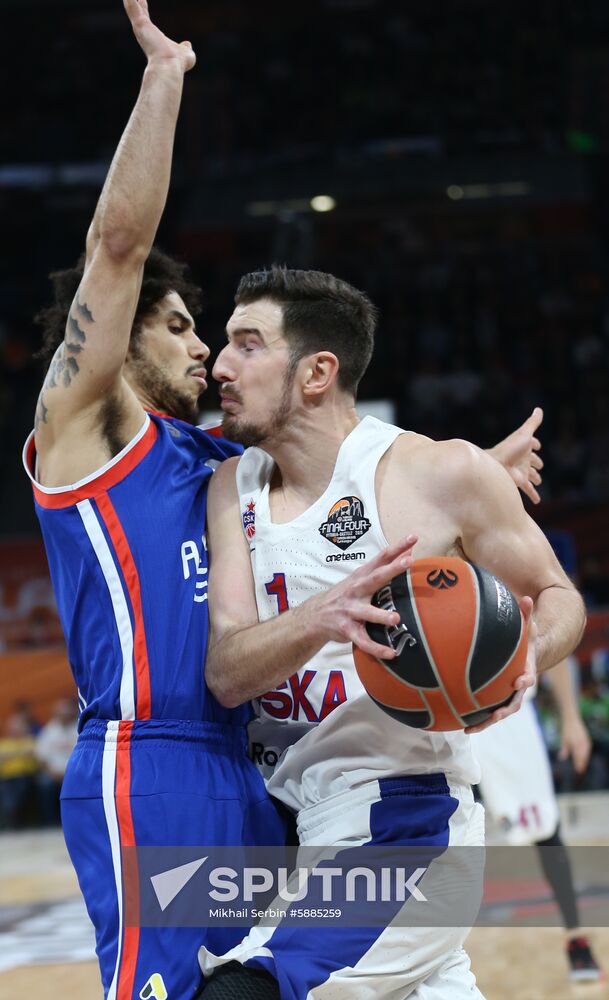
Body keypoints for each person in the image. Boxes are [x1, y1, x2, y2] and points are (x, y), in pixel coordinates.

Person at [197, 266, 586, 1000]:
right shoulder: (231, 487)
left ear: (316, 371)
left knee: (244, 992)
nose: (220, 365)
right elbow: (225, 671)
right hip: (293, 822)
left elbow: (555, 593)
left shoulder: (437, 471)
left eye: (247, 345)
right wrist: (320, 617)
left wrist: (525, 657)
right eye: (225, 344)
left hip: (400, 815)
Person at [22, 4, 286, 998]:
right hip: (148, 763)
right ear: (123, 344)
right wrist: (165, 77)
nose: (201, 346)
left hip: (242, 762)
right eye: (179, 327)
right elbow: (120, 249)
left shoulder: (217, 459)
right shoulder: (89, 428)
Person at [474, 659, 605, 982]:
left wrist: (572, 720)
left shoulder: (517, 606)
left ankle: (576, 940)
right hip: (440, 718)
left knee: (545, 830)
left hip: (508, 717)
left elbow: (554, 650)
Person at [34, 697, 78, 826]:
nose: (63, 716)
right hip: (52, 772)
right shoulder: (48, 731)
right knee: (44, 783)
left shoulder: (79, 728)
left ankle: (75, 820)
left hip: (75, 772)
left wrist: (70, 773)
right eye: (60, 713)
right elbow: (41, 757)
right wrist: (52, 773)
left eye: (66, 713)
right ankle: (50, 822)